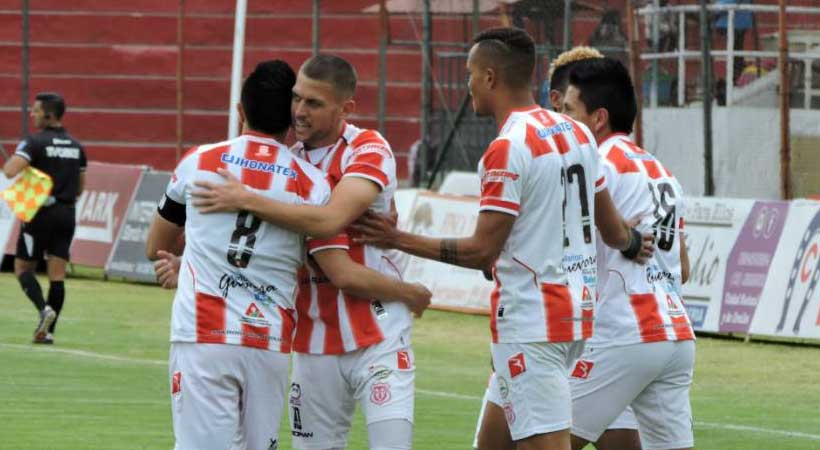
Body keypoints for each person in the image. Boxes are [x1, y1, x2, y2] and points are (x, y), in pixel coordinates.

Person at [353, 27, 652, 450]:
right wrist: (635, 244)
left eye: (471, 73)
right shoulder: (577, 133)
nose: (467, 83)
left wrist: (397, 238)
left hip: (532, 324)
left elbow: (481, 252)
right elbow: (611, 227)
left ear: (490, 77)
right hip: (577, 316)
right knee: (491, 444)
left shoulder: (507, 147)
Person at [145, 59, 430, 450]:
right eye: (296, 100)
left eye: (313, 103)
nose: (299, 111)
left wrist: (247, 200)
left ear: (345, 108)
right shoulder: (297, 166)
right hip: (307, 342)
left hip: (376, 329)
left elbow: (328, 222)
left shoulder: (366, 148)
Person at [557, 57, 695, 450]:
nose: (560, 120)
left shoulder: (595, 164)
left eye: (568, 110)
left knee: (539, 441)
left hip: (623, 333)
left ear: (597, 118)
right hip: (675, 336)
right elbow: (682, 267)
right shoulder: (662, 171)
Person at [3, 92, 86, 344]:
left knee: (22, 267)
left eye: (36, 111)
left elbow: (9, 171)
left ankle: (43, 309)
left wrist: (26, 166)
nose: (32, 114)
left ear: (49, 115)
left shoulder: (34, 142)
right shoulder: (76, 146)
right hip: (67, 213)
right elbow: (81, 187)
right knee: (57, 274)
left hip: (39, 213)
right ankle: (47, 332)